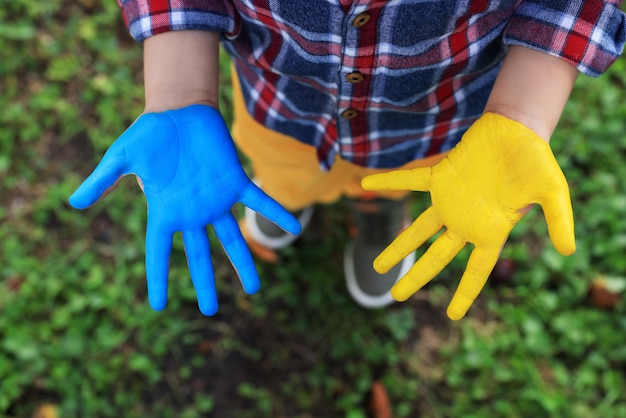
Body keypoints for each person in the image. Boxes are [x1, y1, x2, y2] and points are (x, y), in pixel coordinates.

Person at [70, 1, 625, 320]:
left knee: (391, 184)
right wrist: (178, 95)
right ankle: (285, 196)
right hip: (284, 110)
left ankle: (379, 219)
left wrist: (518, 115)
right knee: (283, 173)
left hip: (429, 128)